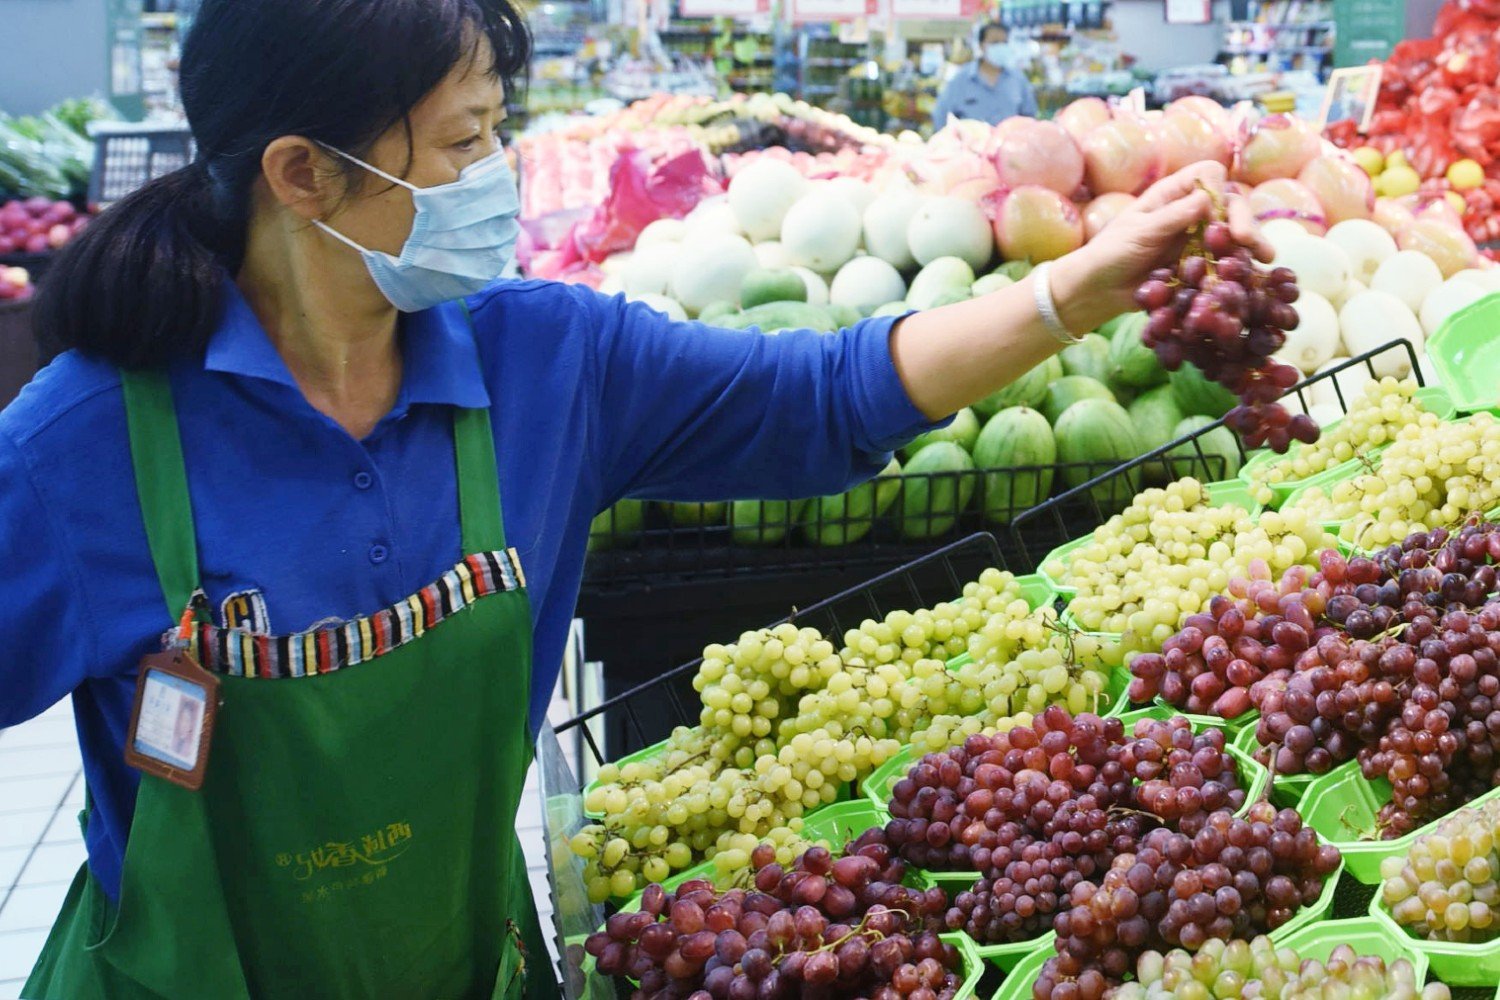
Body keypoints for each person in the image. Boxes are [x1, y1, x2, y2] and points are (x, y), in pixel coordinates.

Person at [3, 0, 1266, 996]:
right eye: (461, 142)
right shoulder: (87, 445)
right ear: (300, 173)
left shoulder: (544, 363)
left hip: (466, 969)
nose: (496, 173)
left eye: (497, 127)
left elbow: (818, 400)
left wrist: (1065, 298)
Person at [932, 22, 1039, 127]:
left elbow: (1030, 118)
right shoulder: (960, 80)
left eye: (1004, 42)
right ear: (981, 45)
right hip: (972, 144)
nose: (1001, 47)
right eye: (995, 42)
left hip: (1010, 143)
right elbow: (941, 116)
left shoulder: (1018, 80)